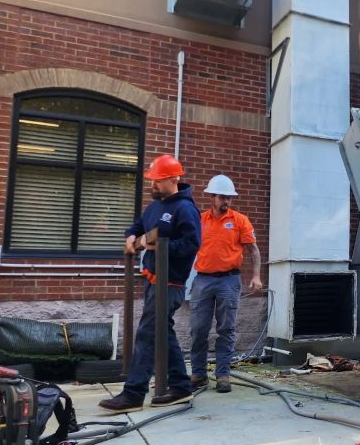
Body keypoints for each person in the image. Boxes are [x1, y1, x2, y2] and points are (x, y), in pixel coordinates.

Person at [99, 154, 201, 413]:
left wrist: (156, 244)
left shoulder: (185, 209)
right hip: (153, 281)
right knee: (161, 333)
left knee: (147, 334)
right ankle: (180, 386)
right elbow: (137, 226)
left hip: (171, 284)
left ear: (174, 178)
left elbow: (191, 245)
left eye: (158, 180)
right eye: (152, 180)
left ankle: (134, 393)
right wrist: (131, 236)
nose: (153, 185)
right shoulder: (153, 207)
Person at [189, 174, 263, 393]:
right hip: (202, 280)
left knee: (226, 329)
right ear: (212, 197)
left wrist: (256, 276)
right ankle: (198, 375)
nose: (226, 201)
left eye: (229, 198)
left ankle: (222, 375)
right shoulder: (200, 220)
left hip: (229, 281)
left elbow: (254, 250)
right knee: (198, 329)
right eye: (222, 197)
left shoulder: (240, 220)